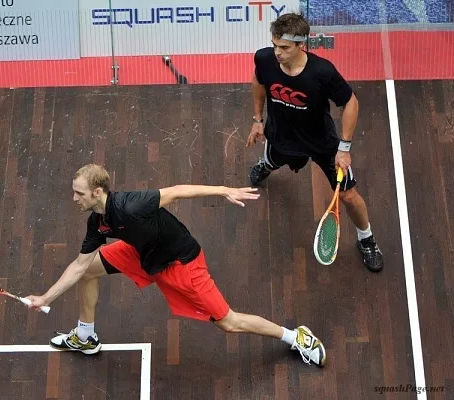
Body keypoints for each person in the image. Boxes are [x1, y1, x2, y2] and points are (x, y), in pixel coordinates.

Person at [26, 164, 326, 367]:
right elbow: (79, 266)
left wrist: (223, 190)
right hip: (143, 253)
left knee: (229, 323)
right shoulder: (98, 222)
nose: (73, 197)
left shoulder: (132, 204)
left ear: (97, 192)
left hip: (181, 263)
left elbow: (177, 191)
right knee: (89, 272)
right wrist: (46, 298)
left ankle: (295, 336)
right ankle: (85, 335)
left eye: (78, 192)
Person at [246, 12, 384, 272]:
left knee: (349, 196)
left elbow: (350, 102)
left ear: (301, 45)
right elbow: (258, 82)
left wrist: (344, 148)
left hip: (322, 143)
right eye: (275, 45)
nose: (277, 52)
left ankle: (366, 239)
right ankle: (266, 165)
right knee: (272, 159)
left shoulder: (322, 72)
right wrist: (257, 119)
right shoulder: (264, 58)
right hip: (282, 135)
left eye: (284, 48)